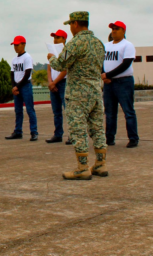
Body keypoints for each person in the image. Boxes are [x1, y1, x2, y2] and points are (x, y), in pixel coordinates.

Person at [48, 12, 107, 180]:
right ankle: (101, 164)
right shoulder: (98, 43)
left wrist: (51, 58)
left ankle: (82, 167)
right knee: (97, 128)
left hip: (78, 93)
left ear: (75, 24)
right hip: (96, 91)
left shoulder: (75, 43)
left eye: (70, 25)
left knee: (78, 129)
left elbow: (60, 64)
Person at [101, 21, 140, 148]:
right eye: (112, 29)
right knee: (110, 112)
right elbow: (100, 62)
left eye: (117, 29)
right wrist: (103, 74)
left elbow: (126, 64)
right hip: (109, 83)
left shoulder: (127, 45)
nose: (114, 31)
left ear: (123, 31)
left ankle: (133, 138)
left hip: (123, 82)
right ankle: (109, 138)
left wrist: (108, 75)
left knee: (128, 111)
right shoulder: (106, 46)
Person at [6, 36, 38, 141]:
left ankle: (34, 132)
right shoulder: (14, 59)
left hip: (25, 86)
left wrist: (17, 86)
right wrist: (14, 86)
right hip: (17, 87)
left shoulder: (27, 57)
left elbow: (27, 73)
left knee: (30, 109)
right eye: (14, 45)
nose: (15, 47)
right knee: (18, 110)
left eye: (17, 45)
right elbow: (12, 73)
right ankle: (18, 131)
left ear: (23, 44)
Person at [46, 30, 68, 144]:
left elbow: (65, 69)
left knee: (68, 110)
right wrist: (50, 82)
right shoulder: (52, 51)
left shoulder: (66, 52)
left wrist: (55, 82)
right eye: (54, 37)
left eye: (58, 37)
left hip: (64, 82)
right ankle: (58, 134)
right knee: (56, 111)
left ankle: (72, 135)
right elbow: (49, 67)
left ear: (64, 39)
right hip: (54, 83)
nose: (55, 40)